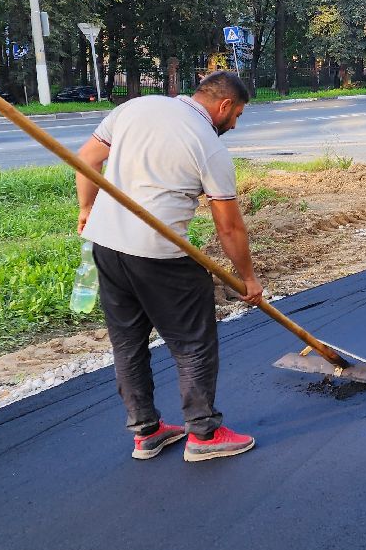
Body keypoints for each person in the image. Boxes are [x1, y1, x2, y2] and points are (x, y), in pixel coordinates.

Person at [75, 72, 264, 463]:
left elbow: (87, 159)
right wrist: (248, 278)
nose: (235, 124)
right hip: (157, 254)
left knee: (127, 343)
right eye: (238, 115)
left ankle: (145, 431)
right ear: (224, 105)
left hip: (106, 245)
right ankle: (205, 434)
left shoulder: (136, 107)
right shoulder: (208, 146)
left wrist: (86, 208)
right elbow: (228, 226)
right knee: (193, 342)